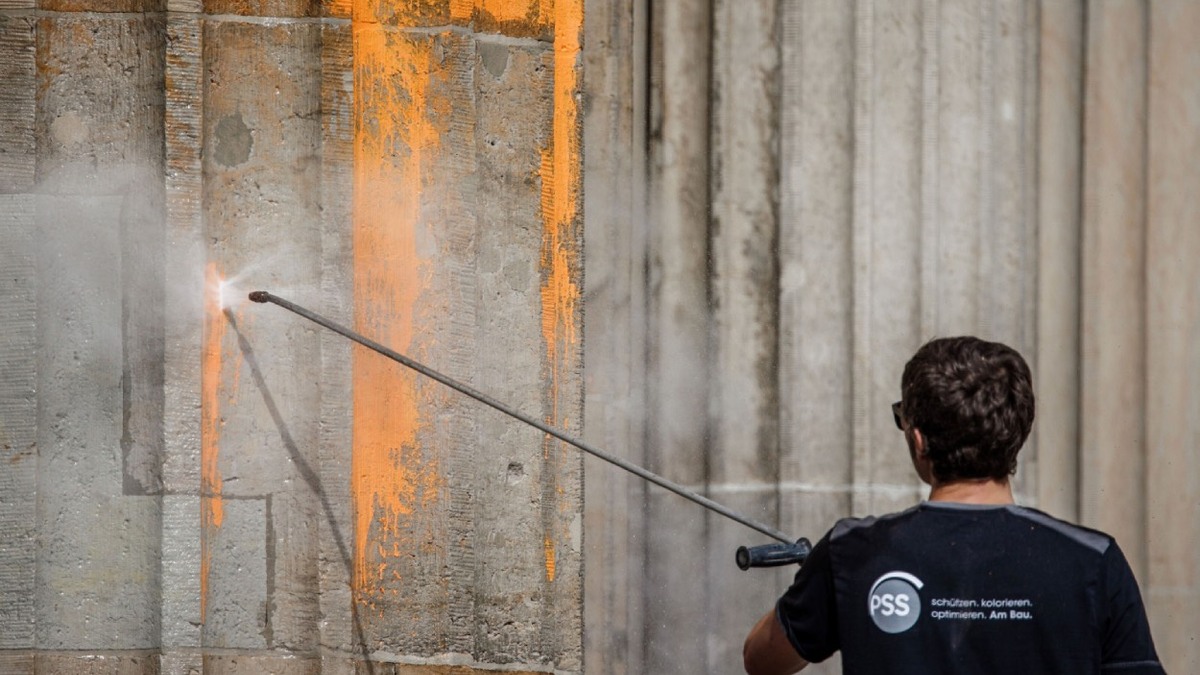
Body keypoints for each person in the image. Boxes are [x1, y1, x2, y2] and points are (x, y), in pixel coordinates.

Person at [742, 336, 1166, 674]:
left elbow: (761, 660)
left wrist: (820, 581)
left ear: (919, 440)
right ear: (1018, 433)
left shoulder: (851, 552)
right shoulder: (1093, 560)